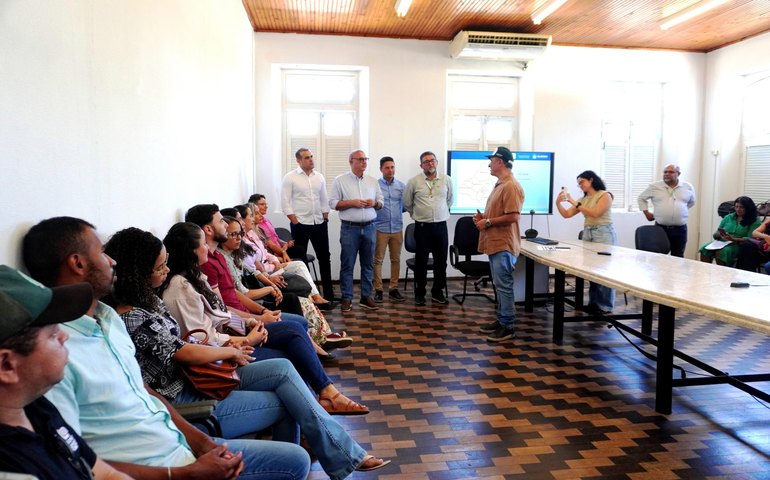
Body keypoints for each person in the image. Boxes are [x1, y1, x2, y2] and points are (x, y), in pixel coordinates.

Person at [21, 216, 311, 479]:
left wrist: (203, 444)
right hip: (174, 432)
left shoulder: (108, 320)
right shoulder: (55, 355)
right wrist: (185, 473)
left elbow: (146, 392)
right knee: (290, 418)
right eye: (101, 252)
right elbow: (78, 462)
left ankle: (325, 418)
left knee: (294, 437)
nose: (111, 262)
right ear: (78, 263)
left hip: (178, 438)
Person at [102, 227, 389, 478]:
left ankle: (334, 447)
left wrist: (235, 340)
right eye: (159, 268)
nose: (165, 271)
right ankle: (319, 454)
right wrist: (232, 348)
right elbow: (182, 351)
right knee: (290, 388)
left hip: (203, 369)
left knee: (284, 368)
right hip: (186, 391)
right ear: (136, 274)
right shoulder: (133, 316)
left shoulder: (150, 299)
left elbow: (213, 319)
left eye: (165, 265)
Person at [159, 222, 364, 410]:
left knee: (294, 329)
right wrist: (248, 338)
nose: (207, 247)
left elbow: (221, 312)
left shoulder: (196, 277)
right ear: (191, 250)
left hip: (233, 334)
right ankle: (320, 401)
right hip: (221, 356)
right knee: (291, 352)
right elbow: (202, 339)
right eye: (203, 243)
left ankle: (324, 395)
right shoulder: (181, 287)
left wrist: (251, 321)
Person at [0, 265, 132, 480]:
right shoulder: (13, 469)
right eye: (53, 334)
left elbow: (106, 474)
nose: (65, 336)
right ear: (6, 366)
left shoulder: (35, 407)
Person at [473, 147, 524, 342]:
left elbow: (513, 216)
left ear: (500, 162)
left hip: (503, 244)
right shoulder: (501, 184)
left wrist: (487, 222)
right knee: (500, 285)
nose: (489, 164)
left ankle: (508, 326)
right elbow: (500, 214)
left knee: (504, 286)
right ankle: (502, 320)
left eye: (491, 160)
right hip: (495, 243)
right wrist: (484, 218)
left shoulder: (511, 186)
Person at [329, 149, 384, 312]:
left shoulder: (373, 181)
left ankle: (366, 297)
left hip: (369, 227)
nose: (364, 162)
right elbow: (333, 203)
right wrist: (350, 202)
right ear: (350, 161)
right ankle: (347, 298)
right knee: (347, 264)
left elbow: (381, 202)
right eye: (360, 159)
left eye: (365, 159)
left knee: (368, 264)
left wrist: (374, 203)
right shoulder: (340, 180)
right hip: (349, 229)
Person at [556, 170, 617, 314]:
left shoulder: (605, 195)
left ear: (591, 180)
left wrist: (572, 201)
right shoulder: (582, 200)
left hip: (603, 232)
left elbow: (595, 213)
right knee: (591, 270)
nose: (580, 186)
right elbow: (567, 214)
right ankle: (594, 303)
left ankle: (605, 305)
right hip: (588, 232)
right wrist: (558, 203)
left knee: (604, 269)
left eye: (582, 182)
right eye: (578, 184)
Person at [281, 148, 336, 301]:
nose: (311, 159)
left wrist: (325, 217)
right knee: (301, 259)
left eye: (311, 156)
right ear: (298, 161)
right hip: (300, 224)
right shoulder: (290, 177)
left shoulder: (319, 177)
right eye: (307, 158)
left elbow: (324, 199)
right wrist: (294, 221)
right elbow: (285, 202)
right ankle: (308, 296)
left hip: (319, 222)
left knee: (325, 258)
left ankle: (329, 294)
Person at [403, 151, 452, 306]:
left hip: (441, 226)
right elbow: (407, 203)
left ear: (436, 162)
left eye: (432, 161)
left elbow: (450, 200)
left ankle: (438, 292)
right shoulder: (414, 182)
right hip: (422, 226)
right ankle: (420, 294)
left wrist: (440, 212)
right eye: (426, 161)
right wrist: (417, 214)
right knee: (421, 262)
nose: (430, 164)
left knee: (441, 261)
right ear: (421, 165)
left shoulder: (446, 180)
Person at [637, 164, 696, 257]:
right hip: (661, 228)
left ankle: (676, 272)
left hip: (680, 229)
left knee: (678, 256)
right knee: (658, 257)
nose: (667, 174)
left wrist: (678, 211)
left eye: (671, 172)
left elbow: (691, 203)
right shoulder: (655, 186)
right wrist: (647, 213)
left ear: (678, 174)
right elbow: (641, 198)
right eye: (665, 172)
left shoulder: (687, 186)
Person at [373, 156, 406, 303]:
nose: (390, 170)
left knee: (396, 259)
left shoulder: (401, 186)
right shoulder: (375, 186)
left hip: (397, 228)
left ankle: (393, 288)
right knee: (378, 260)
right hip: (380, 228)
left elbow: (405, 205)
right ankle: (378, 290)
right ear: (381, 169)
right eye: (387, 167)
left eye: (392, 167)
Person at [698, 196, 762, 266]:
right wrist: (718, 234)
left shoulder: (755, 221)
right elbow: (716, 234)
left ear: (748, 208)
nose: (738, 209)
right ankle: (705, 273)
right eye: (736, 207)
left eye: (741, 207)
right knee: (705, 249)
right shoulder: (728, 217)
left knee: (722, 252)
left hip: (739, 245)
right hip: (722, 242)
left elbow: (751, 239)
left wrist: (733, 239)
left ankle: (723, 274)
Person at [249, 193, 293, 263]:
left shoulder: (266, 221)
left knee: (299, 249)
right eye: (262, 204)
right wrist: (281, 254)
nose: (266, 206)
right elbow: (268, 248)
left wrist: (285, 244)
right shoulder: (254, 230)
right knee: (299, 255)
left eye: (266, 204)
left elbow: (275, 238)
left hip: (278, 251)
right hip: (273, 254)